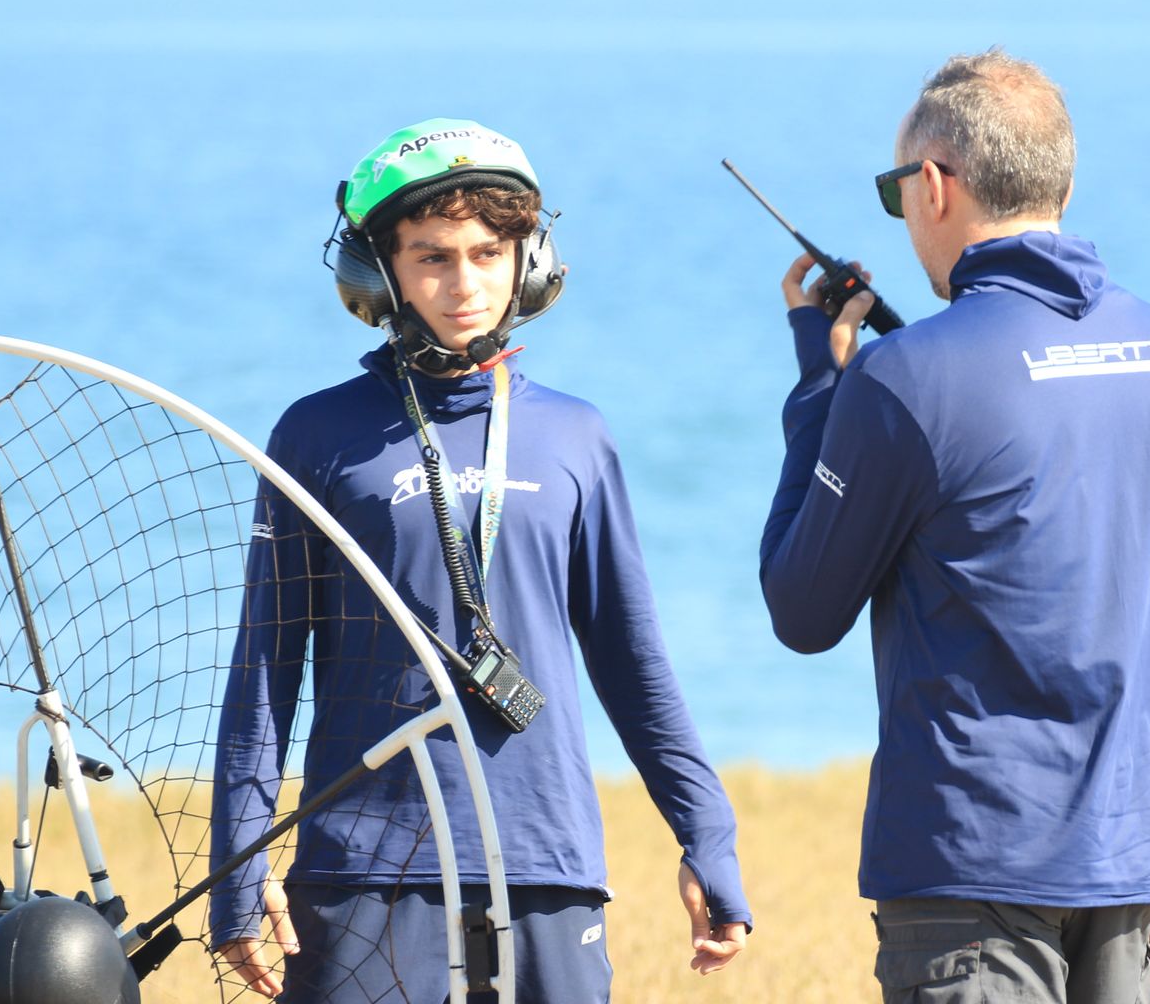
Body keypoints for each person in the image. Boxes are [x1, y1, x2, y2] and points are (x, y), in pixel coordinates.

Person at [211, 118, 750, 1003]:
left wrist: (707, 836)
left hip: (547, 861)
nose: (466, 285)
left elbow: (632, 660)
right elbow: (266, 668)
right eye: (432, 257)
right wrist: (239, 865)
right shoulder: (317, 434)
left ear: (528, 261)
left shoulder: (576, 435)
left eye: (489, 254)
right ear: (379, 272)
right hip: (361, 872)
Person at [758, 50, 1150, 1003]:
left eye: (896, 193)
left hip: (967, 872)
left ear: (934, 185)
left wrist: (822, 384)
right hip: (1129, 865)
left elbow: (802, 607)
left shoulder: (902, 377)